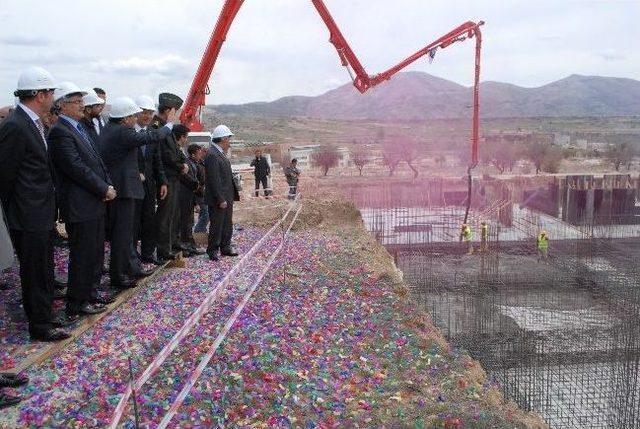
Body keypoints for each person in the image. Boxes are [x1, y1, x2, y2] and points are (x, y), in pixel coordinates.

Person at [0, 66, 71, 342]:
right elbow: (5, 176)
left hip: (38, 212)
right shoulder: (16, 126)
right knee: (34, 270)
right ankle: (39, 325)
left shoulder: (31, 122)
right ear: (40, 95)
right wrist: (18, 210)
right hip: (27, 214)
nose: (54, 98)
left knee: (43, 269)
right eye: (51, 92)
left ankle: (45, 316)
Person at [49, 82, 115, 318]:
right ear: (62, 106)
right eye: (76, 102)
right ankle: (77, 302)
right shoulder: (60, 132)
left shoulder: (79, 128)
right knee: (83, 255)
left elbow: (96, 160)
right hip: (80, 203)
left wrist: (107, 184)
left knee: (95, 251)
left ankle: (91, 292)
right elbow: (75, 168)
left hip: (94, 200)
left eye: (81, 101)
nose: (82, 105)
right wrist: (102, 188)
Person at [97, 97, 175, 289]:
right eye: (133, 115)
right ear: (125, 118)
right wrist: (169, 124)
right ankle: (119, 275)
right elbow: (151, 137)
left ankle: (128, 269)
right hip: (123, 191)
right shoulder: (122, 132)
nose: (136, 118)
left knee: (125, 234)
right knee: (122, 235)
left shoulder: (110, 129)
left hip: (122, 189)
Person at [153, 93, 188, 261]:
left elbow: (174, 150)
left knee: (172, 214)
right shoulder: (157, 127)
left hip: (173, 177)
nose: (178, 114)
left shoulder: (167, 127)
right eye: (176, 110)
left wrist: (183, 163)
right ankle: (163, 249)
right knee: (165, 216)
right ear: (167, 110)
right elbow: (163, 154)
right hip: (165, 179)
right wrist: (180, 166)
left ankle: (171, 244)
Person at [133, 95, 167, 265]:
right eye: (144, 112)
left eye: (150, 113)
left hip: (149, 185)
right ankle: (131, 257)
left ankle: (147, 253)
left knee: (148, 220)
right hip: (132, 185)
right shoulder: (129, 133)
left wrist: (162, 182)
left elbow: (157, 160)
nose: (147, 116)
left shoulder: (151, 134)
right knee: (133, 222)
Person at [205, 125, 240, 261]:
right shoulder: (212, 155)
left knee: (226, 223)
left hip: (227, 196)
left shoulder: (219, 153)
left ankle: (225, 247)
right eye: (228, 139)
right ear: (223, 139)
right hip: (219, 198)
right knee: (217, 224)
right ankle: (213, 249)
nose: (229, 142)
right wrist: (220, 198)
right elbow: (214, 180)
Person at [177, 144, 205, 255]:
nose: (200, 155)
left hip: (190, 196)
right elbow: (189, 182)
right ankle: (185, 247)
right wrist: (197, 186)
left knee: (189, 222)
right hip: (184, 196)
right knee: (184, 223)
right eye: (199, 153)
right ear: (193, 154)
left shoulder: (196, 164)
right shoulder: (188, 163)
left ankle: (189, 246)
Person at [193, 153, 209, 234]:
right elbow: (197, 180)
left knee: (203, 213)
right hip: (199, 193)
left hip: (203, 192)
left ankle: (200, 232)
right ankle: (198, 230)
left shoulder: (202, 164)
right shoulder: (195, 165)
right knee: (206, 214)